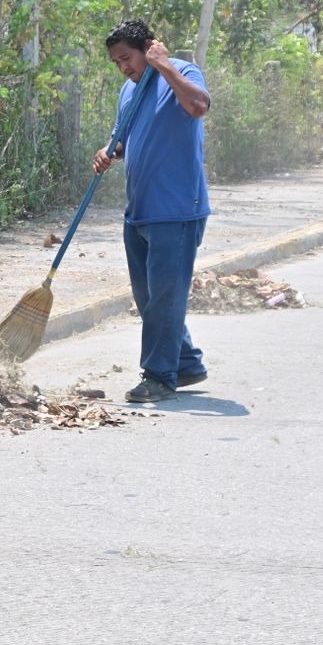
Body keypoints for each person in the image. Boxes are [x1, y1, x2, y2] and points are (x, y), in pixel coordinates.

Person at [91, 20, 212, 403]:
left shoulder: (182, 72)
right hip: (139, 208)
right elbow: (124, 138)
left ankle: (159, 375)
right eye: (116, 62)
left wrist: (165, 67)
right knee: (148, 297)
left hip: (176, 209)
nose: (123, 68)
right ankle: (186, 361)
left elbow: (198, 106)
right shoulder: (129, 91)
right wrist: (109, 151)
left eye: (127, 58)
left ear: (149, 48)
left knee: (165, 296)